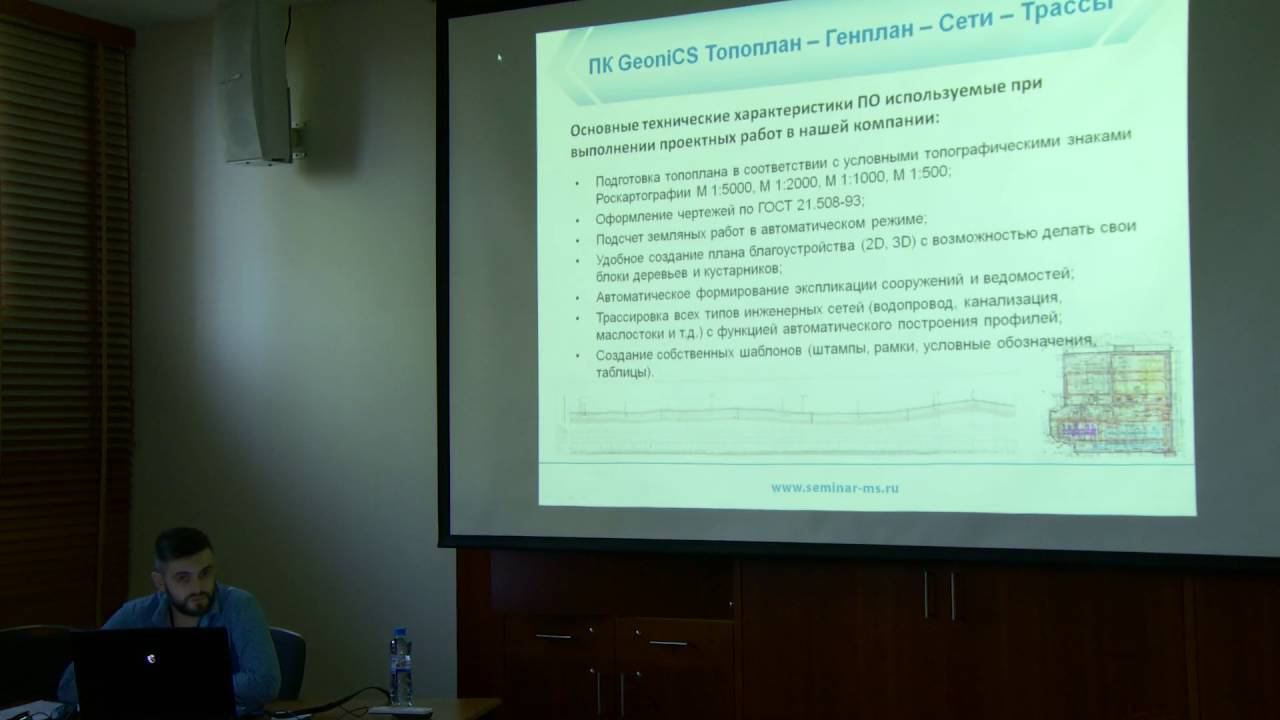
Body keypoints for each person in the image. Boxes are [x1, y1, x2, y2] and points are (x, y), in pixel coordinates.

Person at [58, 527, 281, 716]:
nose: (198, 587)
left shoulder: (240, 606)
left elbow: (265, 682)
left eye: (205, 573)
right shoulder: (136, 614)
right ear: (160, 582)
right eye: (183, 578)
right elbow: (70, 686)